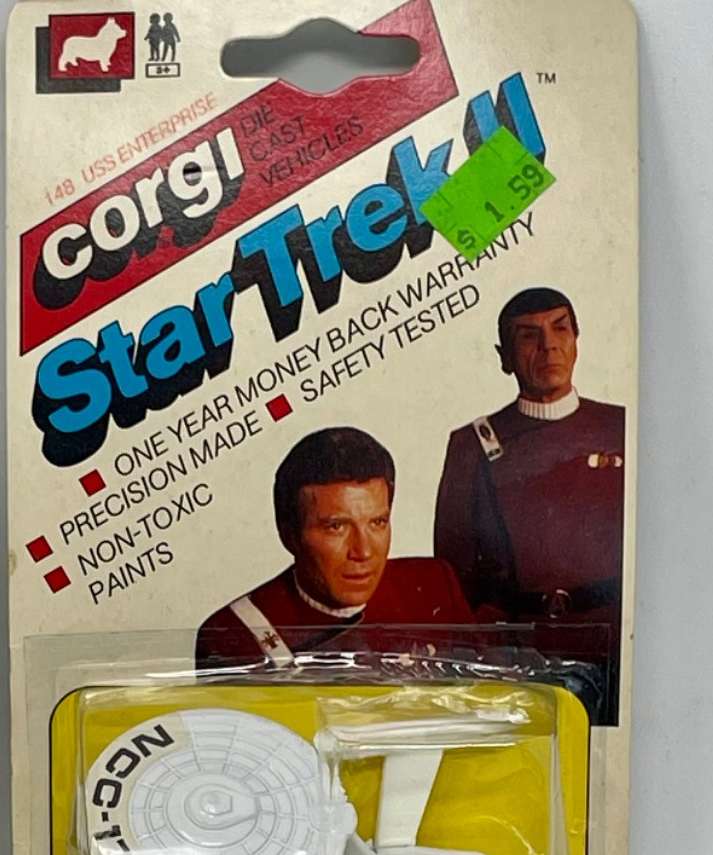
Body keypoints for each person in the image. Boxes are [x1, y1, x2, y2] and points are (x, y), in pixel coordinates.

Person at [432, 287, 626, 715]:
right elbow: (454, 578)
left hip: (613, 648)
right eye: (528, 335)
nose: (549, 345)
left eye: (560, 329)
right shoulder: (472, 444)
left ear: (577, 341)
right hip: (518, 658)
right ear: (504, 357)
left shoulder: (621, 426)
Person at [195, 427, 477, 670]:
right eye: (336, 527)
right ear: (288, 535)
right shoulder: (235, 634)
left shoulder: (434, 583)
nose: (363, 552)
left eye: (377, 522)